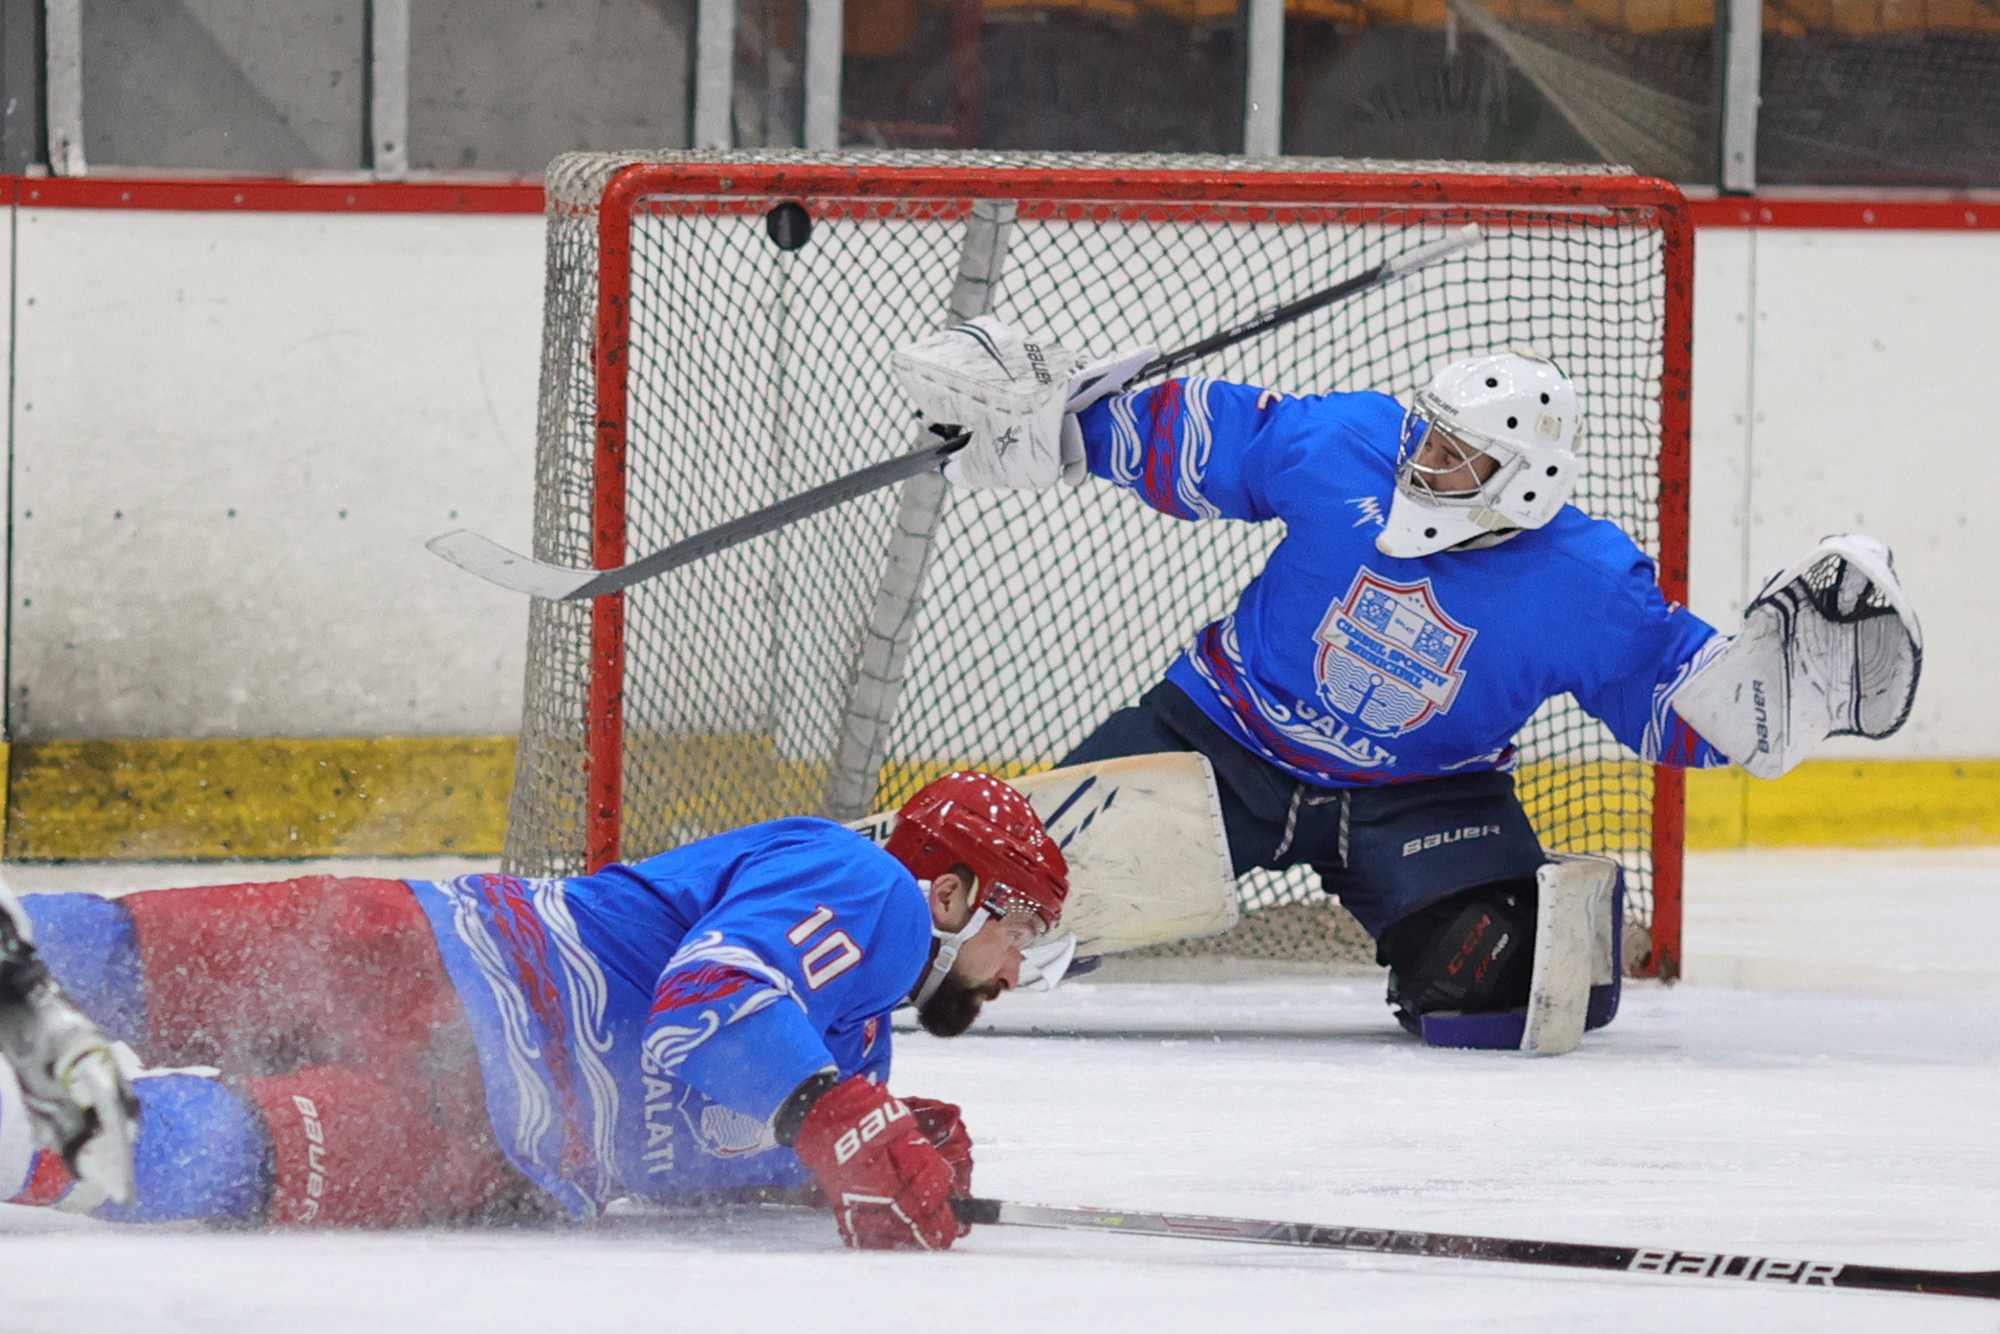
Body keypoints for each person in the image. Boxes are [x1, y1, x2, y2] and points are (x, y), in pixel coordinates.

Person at [894, 321, 1922, 1043]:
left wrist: (1771, 696)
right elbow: (1198, 436)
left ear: (1523, 481)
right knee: (989, 897)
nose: (1419, 461)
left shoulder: (1582, 579)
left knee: (1510, 987)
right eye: (1425, 433)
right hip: (1217, 740)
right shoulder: (1344, 445)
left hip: (1422, 797)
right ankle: (850, 925)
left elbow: (1672, 691)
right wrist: (1068, 420)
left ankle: (1502, 912)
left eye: (1452, 453)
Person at [0, 770, 1073, 1248]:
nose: (1012, 970)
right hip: (451, 983)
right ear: (951, 893)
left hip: (478, 1124)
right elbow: (703, 1000)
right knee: (137, 1002)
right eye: (1014, 931)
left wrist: (869, 1156)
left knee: (160, 1063)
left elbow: (731, 1123)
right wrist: (834, 1117)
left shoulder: (857, 1037)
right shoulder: (870, 886)